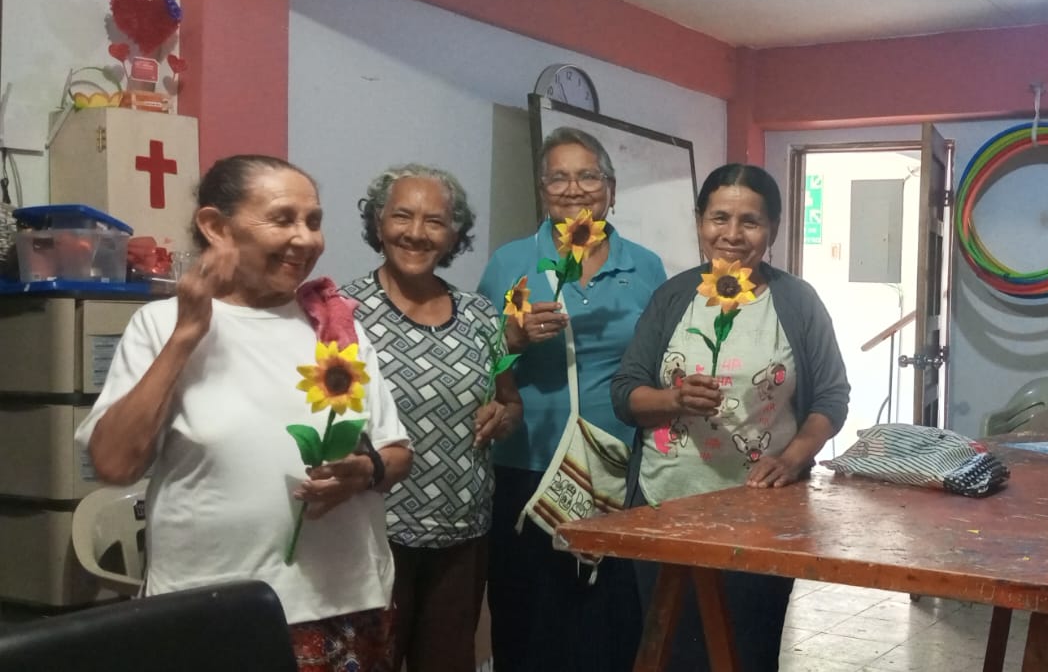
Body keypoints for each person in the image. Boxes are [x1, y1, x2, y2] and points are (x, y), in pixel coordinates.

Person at [76, 154, 412, 672]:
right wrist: (187, 334)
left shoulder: (334, 327)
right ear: (216, 227)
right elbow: (115, 464)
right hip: (211, 609)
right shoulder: (160, 325)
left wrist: (366, 471)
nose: (306, 239)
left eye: (314, 221)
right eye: (283, 219)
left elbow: (396, 452)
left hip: (343, 604)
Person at [612, 163, 851, 671]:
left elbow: (831, 398)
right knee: (670, 652)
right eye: (719, 218)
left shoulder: (797, 302)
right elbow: (625, 393)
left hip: (761, 512)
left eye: (751, 221)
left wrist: (793, 458)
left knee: (746, 652)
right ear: (699, 221)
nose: (733, 235)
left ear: (773, 229)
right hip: (664, 504)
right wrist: (673, 399)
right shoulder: (673, 297)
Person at [476, 127, 666, 672]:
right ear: (542, 191)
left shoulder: (644, 266)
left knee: (609, 617)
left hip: (616, 465)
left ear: (611, 188)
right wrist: (513, 338)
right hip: (529, 465)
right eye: (558, 177)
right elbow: (477, 359)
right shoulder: (513, 262)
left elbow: (658, 359)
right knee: (528, 617)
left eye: (587, 176)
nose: (574, 188)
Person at [343, 164, 520, 672]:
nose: (416, 233)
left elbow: (511, 402)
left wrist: (503, 415)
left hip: (462, 532)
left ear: (455, 234)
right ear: (378, 223)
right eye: (402, 216)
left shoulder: (481, 315)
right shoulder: (344, 313)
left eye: (435, 221)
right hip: (371, 532)